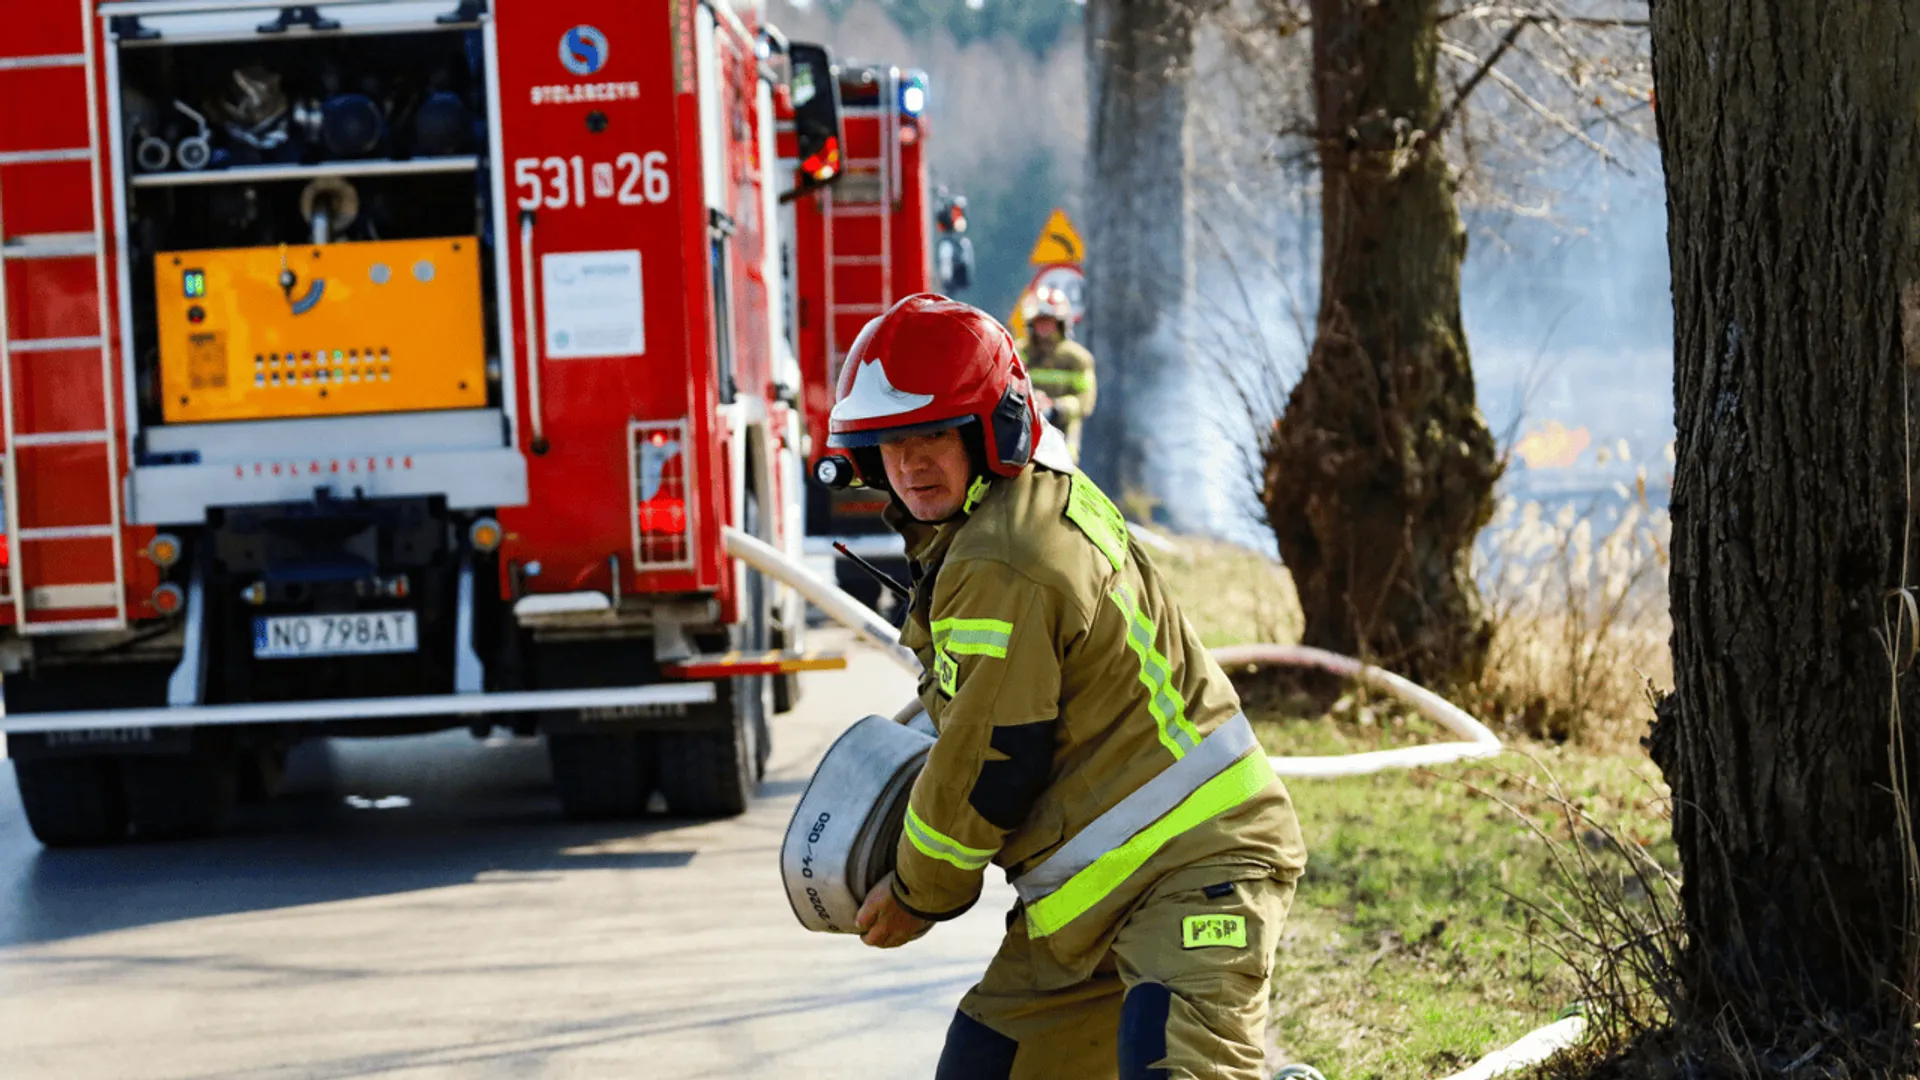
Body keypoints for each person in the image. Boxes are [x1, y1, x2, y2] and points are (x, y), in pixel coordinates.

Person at [828, 293, 1308, 1079]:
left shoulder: (1001, 556)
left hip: (1196, 868)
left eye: (934, 434)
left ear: (987, 431)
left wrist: (916, 892)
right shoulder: (1025, 498)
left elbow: (991, 760)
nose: (911, 464)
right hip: (1086, 905)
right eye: (892, 441)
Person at [1017, 286, 1097, 460]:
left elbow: (1085, 401)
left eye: (1049, 322)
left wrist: (1056, 407)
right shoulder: (1017, 353)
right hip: (1022, 437)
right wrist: (1030, 402)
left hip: (1063, 441)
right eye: (1040, 321)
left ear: (1061, 324)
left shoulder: (1077, 359)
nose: (1044, 328)